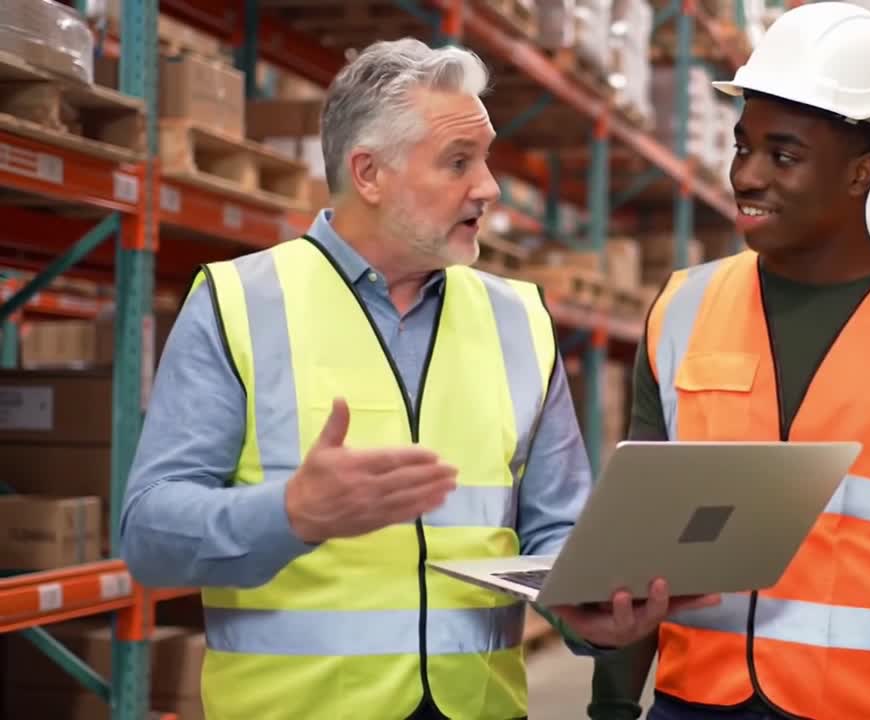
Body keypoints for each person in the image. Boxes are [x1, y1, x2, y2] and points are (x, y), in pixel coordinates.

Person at [119, 38, 716, 720]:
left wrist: (593, 616)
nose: (488, 187)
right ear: (369, 173)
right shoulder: (240, 302)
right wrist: (290, 514)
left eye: (485, 160)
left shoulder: (517, 317)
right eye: (459, 162)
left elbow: (558, 530)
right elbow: (149, 538)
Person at [588, 4, 870, 720]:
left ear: (860, 173)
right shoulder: (680, 312)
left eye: (783, 155)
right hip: (690, 703)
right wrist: (609, 706)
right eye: (742, 146)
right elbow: (640, 548)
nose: (747, 176)